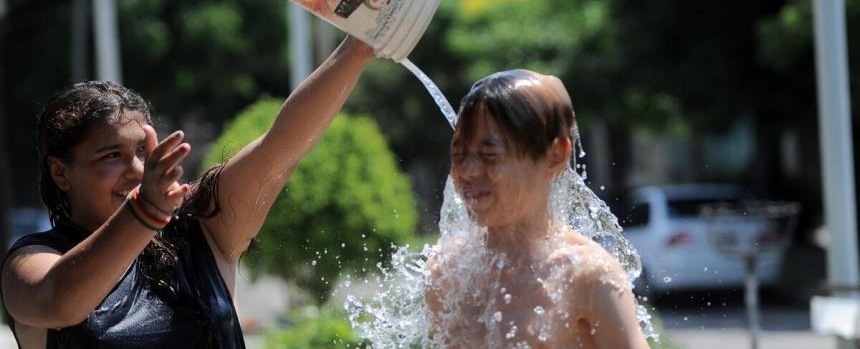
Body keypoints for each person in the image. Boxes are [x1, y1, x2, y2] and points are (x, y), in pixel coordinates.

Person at [1, 35, 399, 348]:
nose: (137, 169)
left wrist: (359, 47)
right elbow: (60, 302)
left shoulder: (198, 231)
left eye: (143, 151)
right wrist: (146, 210)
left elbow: (280, 147)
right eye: (112, 155)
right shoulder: (33, 262)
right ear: (61, 172)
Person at [425, 69, 649, 349]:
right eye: (459, 154)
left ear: (554, 156)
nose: (467, 171)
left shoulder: (587, 275)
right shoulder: (447, 271)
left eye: (489, 155)